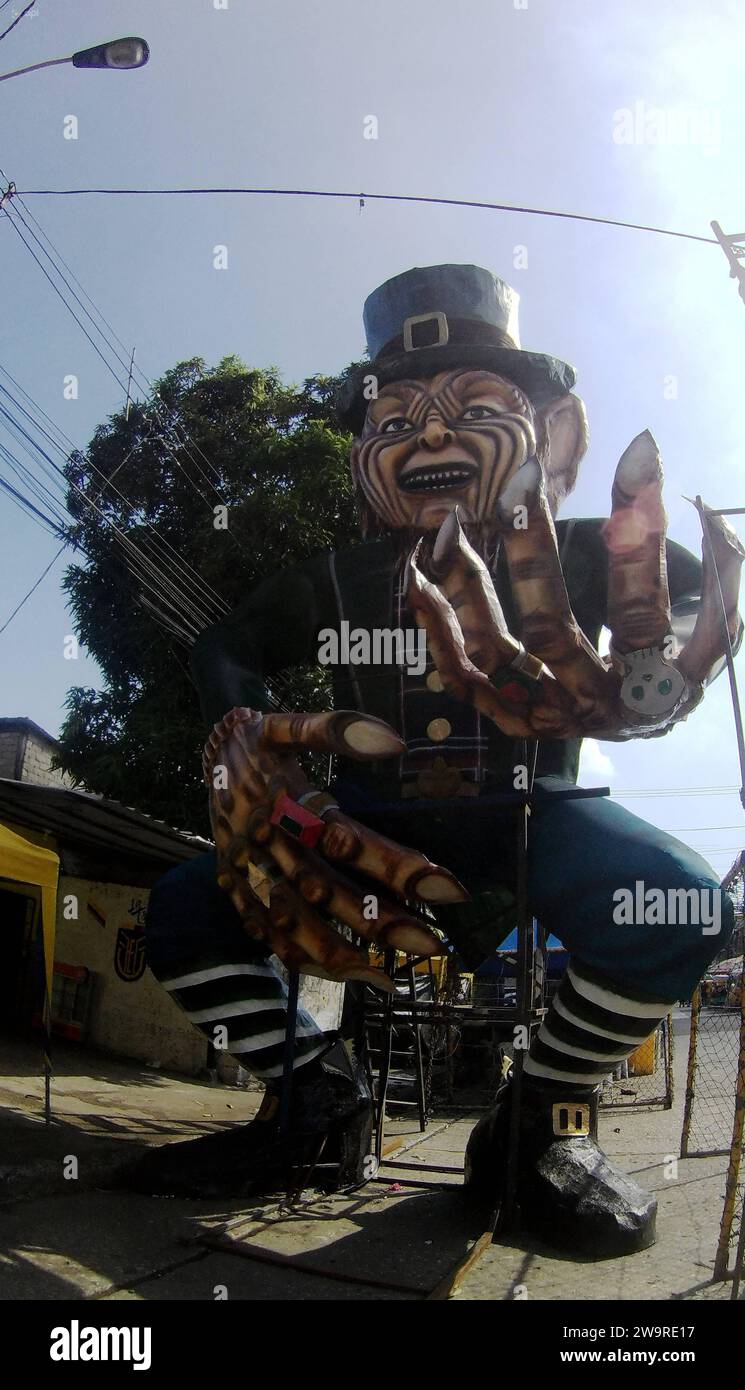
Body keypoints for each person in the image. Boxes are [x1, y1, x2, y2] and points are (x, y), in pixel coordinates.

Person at [130, 264, 742, 1257]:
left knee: (675, 906)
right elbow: (224, 643)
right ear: (364, 455)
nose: (428, 435)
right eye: (397, 414)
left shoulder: (580, 549)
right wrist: (244, 743)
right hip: (369, 825)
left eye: (474, 407)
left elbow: (675, 589)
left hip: (536, 811)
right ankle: (313, 1102)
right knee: (189, 904)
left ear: (550, 439)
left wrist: (648, 658)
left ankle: (533, 1124)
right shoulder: (336, 576)